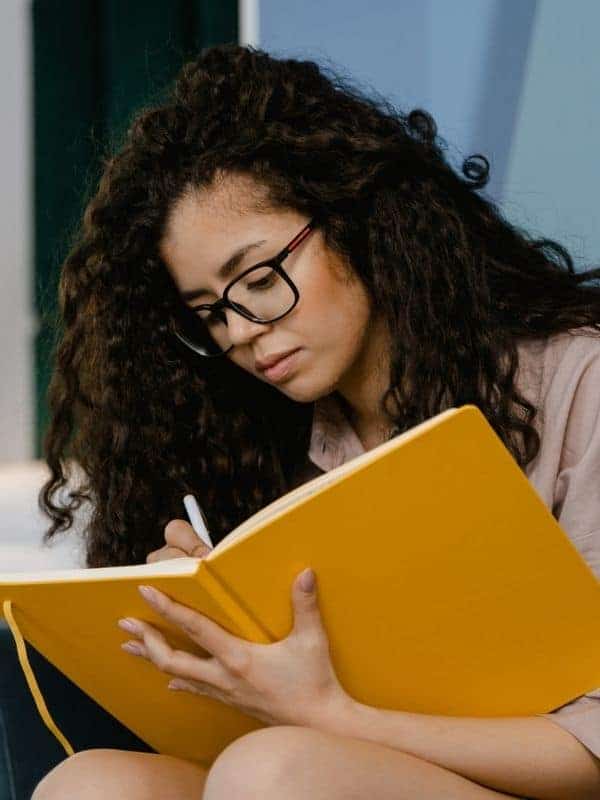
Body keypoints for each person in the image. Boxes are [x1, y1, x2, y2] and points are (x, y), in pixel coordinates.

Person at [30, 43, 600, 799]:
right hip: (344, 768)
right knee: (92, 784)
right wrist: (211, 631)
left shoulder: (575, 378)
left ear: (361, 220)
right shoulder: (258, 437)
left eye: (260, 279)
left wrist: (324, 714)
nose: (241, 332)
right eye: (208, 314)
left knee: (274, 773)